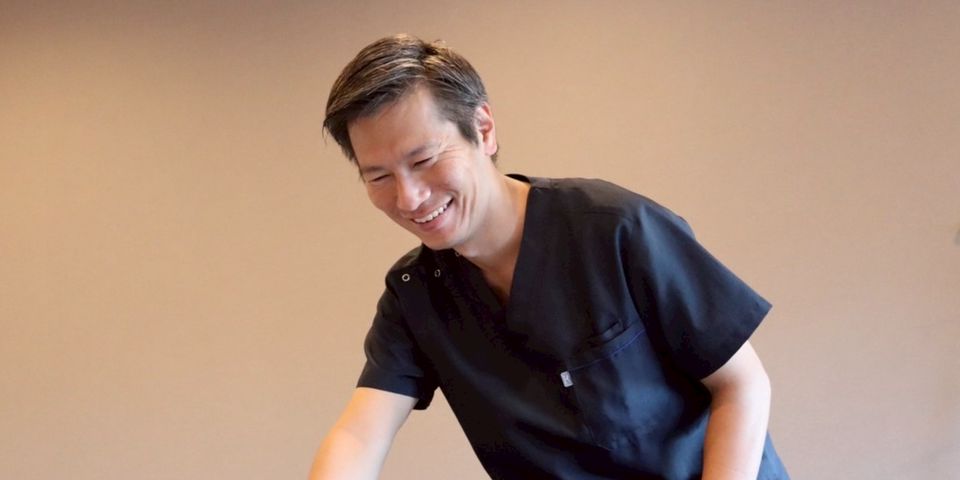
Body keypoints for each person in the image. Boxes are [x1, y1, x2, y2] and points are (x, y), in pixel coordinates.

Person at [309, 34, 789, 480]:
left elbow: (741, 385)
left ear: (483, 129)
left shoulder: (613, 228)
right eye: (379, 177)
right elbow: (359, 435)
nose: (409, 197)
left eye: (424, 160)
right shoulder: (416, 293)